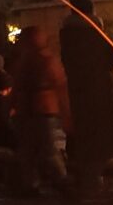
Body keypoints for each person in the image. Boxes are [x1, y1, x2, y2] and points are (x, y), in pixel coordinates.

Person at [60, 0, 113, 201]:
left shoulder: (66, 34)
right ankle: (93, 184)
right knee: (98, 136)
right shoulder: (98, 33)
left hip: (76, 90)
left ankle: (81, 180)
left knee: (80, 135)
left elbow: (66, 61)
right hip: (97, 90)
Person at [11, 27, 70, 195]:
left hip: (42, 110)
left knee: (46, 149)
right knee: (30, 151)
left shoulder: (44, 61)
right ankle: (33, 184)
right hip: (35, 110)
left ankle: (59, 181)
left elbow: (60, 86)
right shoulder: (32, 61)